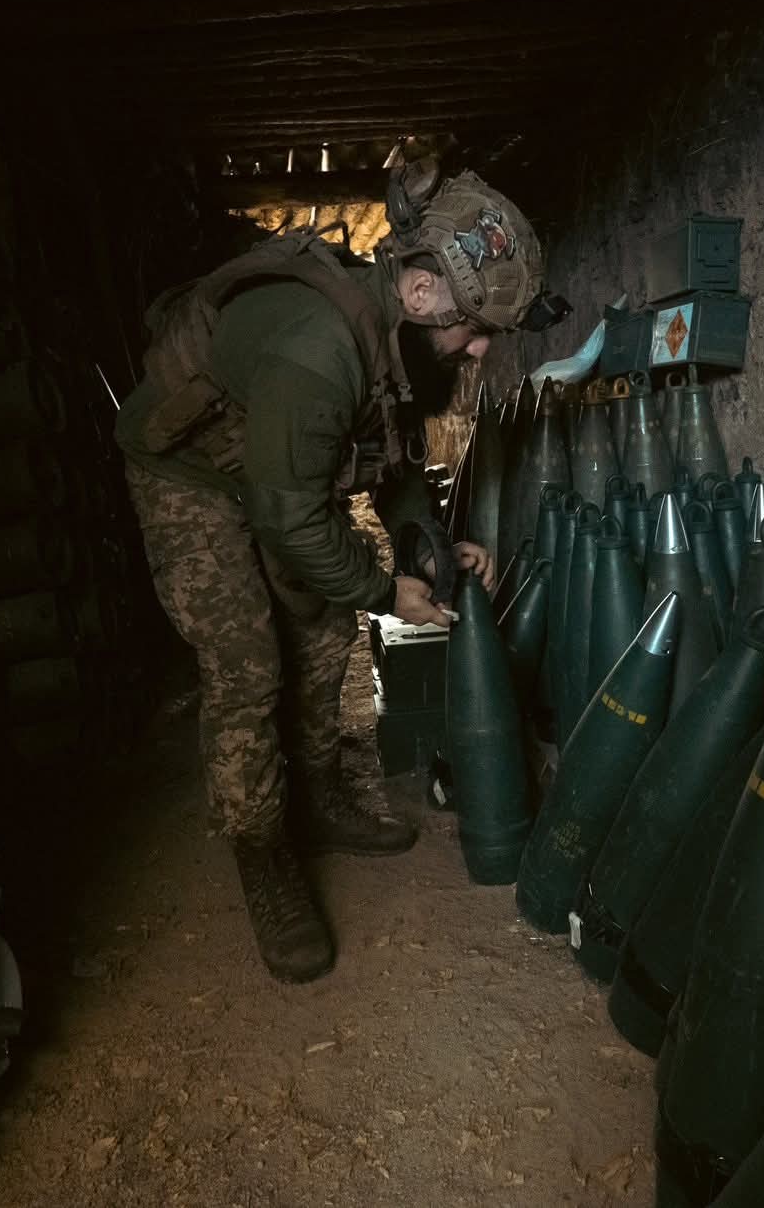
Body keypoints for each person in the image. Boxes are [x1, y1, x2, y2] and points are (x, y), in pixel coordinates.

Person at [115, 165, 553, 982]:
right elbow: (291, 520)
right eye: (476, 327)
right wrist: (386, 592)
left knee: (320, 627)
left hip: (270, 467)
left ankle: (317, 799)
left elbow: (388, 460)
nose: (482, 347)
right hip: (190, 474)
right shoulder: (322, 349)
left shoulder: (393, 338)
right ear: (421, 291)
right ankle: (262, 851)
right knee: (247, 660)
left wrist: (428, 543)